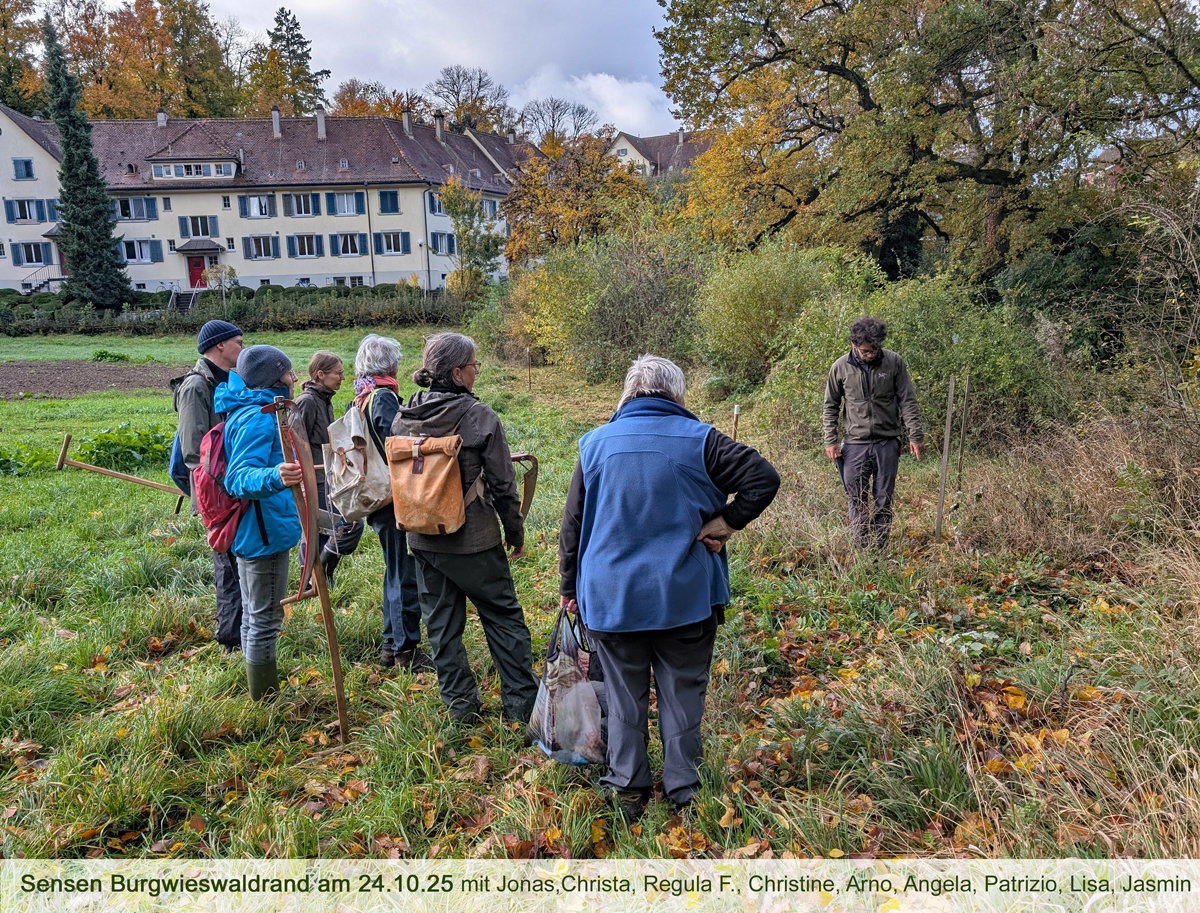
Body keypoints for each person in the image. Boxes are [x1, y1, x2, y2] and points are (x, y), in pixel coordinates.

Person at [559, 355, 779, 822]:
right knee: (682, 692)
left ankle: (628, 789)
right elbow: (764, 478)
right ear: (677, 394)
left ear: (628, 392)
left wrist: (568, 584)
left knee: (622, 693)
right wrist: (727, 522)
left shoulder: (594, 444)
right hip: (684, 597)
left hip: (610, 597)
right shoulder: (702, 440)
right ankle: (685, 790)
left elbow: (573, 523)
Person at [392, 333, 539, 725]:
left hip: (423, 536)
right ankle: (523, 707)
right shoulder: (479, 416)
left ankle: (461, 710)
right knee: (503, 618)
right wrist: (515, 533)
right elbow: (504, 486)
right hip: (474, 541)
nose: (477, 372)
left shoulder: (403, 416)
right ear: (457, 373)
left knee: (441, 627)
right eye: (474, 365)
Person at [215, 345, 303, 700]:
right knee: (265, 619)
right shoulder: (257, 417)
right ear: (273, 379)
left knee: (254, 615)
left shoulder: (259, 410)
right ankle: (265, 699)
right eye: (288, 372)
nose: (294, 378)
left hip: (261, 528)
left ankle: (257, 690)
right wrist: (276, 475)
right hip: (262, 533)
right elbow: (238, 478)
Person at [352, 334, 431, 671]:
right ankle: (405, 651)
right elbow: (395, 447)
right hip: (392, 497)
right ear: (389, 365)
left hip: (377, 496)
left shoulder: (361, 396)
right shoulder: (383, 397)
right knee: (403, 574)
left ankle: (390, 645)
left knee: (394, 570)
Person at [171, 319, 246, 653]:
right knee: (228, 568)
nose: (242, 348)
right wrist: (222, 490)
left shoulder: (229, 381)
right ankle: (231, 640)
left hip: (235, 488)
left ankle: (247, 631)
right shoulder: (196, 387)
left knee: (242, 563)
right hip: (218, 493)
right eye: (239, 342)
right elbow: (194, 451)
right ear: (220, 345)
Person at [822, 317, 925, 551]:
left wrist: (915, 435)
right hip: (854, 443)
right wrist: (830, 439)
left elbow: (907, 400)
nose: (871, 354)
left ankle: (879, 549)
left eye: (875, 349)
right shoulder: (840, 367)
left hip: (887, 442)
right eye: (866, 351)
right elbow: (830, 406)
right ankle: (862, 548)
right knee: (856, 497)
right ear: (853, 344)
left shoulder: (894, 362)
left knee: (883, 498)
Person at [292, 352, 364, 585]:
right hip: (315, 478)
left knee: (319, 529)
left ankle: (314, 579)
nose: (342, 377)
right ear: (321, 375)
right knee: (349, 523)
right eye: (338, 373)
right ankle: (318, 575)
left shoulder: (324, 398)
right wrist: (305, 478)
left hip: (327, 476)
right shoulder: (307, 401)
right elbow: (295, 442)